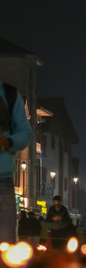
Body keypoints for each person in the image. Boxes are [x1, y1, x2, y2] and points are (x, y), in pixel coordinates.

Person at [0, 82, 33, 243]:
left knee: (5, 243)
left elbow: (25, 132)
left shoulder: (9, 94)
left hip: (2, 180)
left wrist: (8, 142)